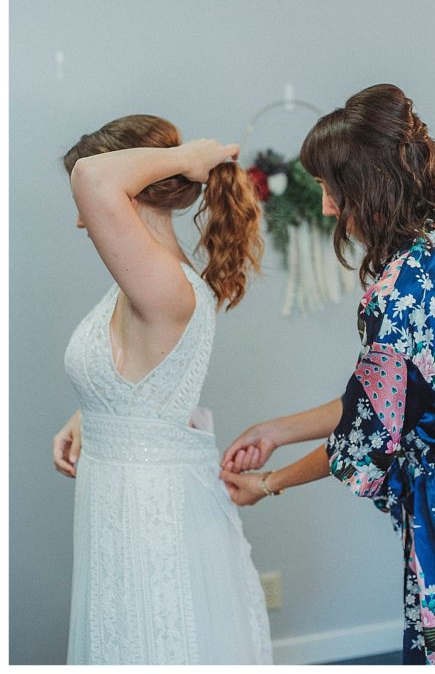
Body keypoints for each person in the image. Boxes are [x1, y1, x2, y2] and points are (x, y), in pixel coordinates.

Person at [218, 84, 435, 666]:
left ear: (370, 186)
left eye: (332, 189)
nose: (327, 206)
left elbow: (371, 432)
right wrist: (276, 429)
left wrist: (269, 483)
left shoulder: (400, 291)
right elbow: (385, 398)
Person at [54, 115, 272, 664]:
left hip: (147, 509)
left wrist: (186, 156)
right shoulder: (142, 280)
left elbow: (92, 179)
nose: (81, 220)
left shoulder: (165, 284)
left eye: (83, 200)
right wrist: (94, 412)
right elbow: (143, 381)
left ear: (130, 187)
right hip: (117, 492)